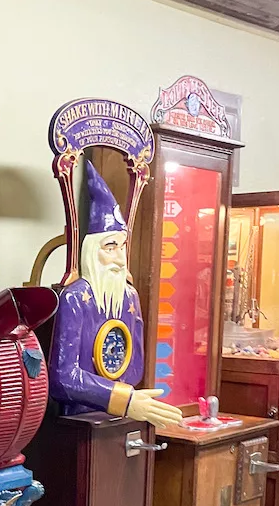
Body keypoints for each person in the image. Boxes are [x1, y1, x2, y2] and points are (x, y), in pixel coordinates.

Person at [49, 160, 183, 428]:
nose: (120, 259)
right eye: (110, 247)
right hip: (78, 420)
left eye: (122, 247)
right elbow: (63, 378)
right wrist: (125, 400)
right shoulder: (75, 298)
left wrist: (128, 400)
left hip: (117, 416)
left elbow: (134, 368)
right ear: (91, 250)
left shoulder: (129, 297)